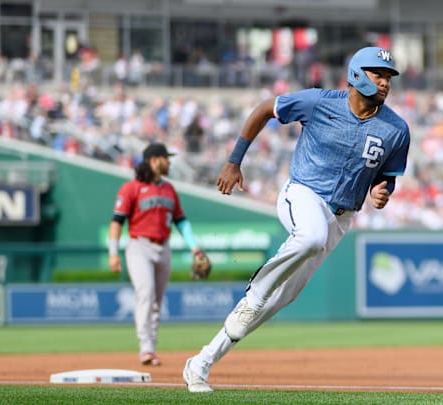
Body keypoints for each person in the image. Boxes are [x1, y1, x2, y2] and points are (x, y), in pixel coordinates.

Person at [182, 46, 411, 392]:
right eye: (378, 74)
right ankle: (256, 291)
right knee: (309, 238)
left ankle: (201, 362)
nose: (384, 82)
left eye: (388, 77)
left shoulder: (396, 129)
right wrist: (234, 160)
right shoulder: (320, 102)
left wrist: (384, 190)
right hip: (302, 193)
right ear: (356, 74)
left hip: (342, 216)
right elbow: (265, 109)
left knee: (280, 299)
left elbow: (387, 176)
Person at [108, 142, 210, 366]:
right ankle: (144, 347)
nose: (169, 162)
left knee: (156, 300)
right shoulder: (131, 188)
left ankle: (151, 348)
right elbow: (117, 222)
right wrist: (113, 253)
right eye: (166, 158)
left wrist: (194, 247)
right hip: (139, 246)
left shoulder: (169, 189)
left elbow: (181, 221)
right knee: (146, 292)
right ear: (154, 160)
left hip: (163, 247)